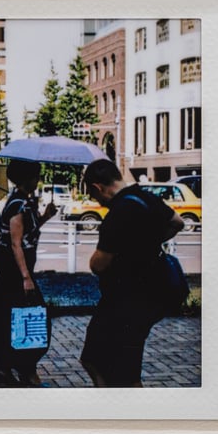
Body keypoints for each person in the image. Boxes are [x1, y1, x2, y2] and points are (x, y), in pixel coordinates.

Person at [79, 158, 184, 387]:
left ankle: (119, 403)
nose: (97, 202)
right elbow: (177, 222)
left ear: (98, 187)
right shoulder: (146, 197)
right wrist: (150, 240)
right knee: (121, 365)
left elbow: (99, 264)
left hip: (124, 301)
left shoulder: (118, 213)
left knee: (102, 363)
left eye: (93, 195)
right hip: (151, 297)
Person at [0, 159, 58, 386]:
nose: (38, 180)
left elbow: (28, 233)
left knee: (18, 318)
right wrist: (26, 277)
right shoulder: (18, 204)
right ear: (27, 178)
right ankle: (26, 369)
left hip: (17, 271)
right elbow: (16, 243)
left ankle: (10, 366)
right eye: (36, 176)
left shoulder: (23, 201)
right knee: (31, 318)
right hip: (14, 272)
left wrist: (45, 217)